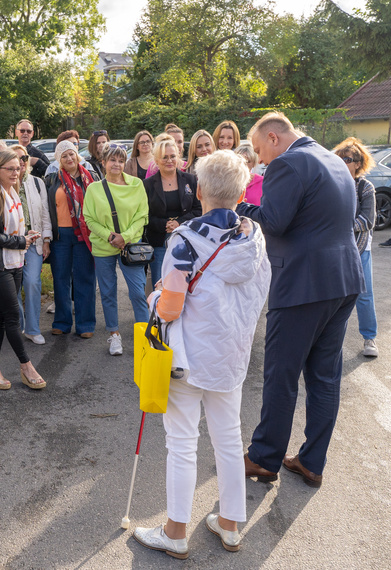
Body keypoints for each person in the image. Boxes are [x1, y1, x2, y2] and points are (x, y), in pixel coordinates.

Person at [132, 150, 271, 559]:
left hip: (188, 356)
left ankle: (175, 531)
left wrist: (157, 295)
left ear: (201, 189)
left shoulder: (186, 239)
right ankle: (230, 524)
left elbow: (171, 308)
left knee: (182, 441)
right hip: (230, 352)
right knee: (229, 438)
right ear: (241, 189)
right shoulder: (253, 236)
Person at [239, 112, 363, 489]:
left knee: (281, 374)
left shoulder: (289, 163)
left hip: (303, 285)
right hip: (343, 280)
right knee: (325, 377)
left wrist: (234, 206)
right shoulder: (332, 160)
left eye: (260, 150)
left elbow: (273, 222)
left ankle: (263, 458)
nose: (261, 160)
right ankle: (312, 462)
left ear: (274, 138)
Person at [0, 150, 45, 390]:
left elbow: (11, 230)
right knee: (13, 316)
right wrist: (19, 242)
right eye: (10, 169)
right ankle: (27, 366)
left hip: (16, 261)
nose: (16, 172)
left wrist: (25, 237)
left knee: (1, 315)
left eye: (18, 167)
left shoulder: (13, 194)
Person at [83, 145, 150, 355]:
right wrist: (110, 236)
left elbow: (142, 215)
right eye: (112, 160)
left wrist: (125, 237)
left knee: (138, 292)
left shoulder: (136, 185)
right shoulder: (94, 189)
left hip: (131, 247)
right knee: (108, 292)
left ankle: (145, 337)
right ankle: (114, 335)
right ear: (103, 162)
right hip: (104, 247)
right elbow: (89, 218)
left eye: (121, 161)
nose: (117, 164)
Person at [44, 140, 97, 338]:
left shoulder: (89, 178)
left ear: (77, 155)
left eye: (71, 154)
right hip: (61, 236)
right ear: (59, 159)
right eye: (64, 156)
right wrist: (47, 238)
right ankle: (62, 322)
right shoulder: (52, 179)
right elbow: (47, 210)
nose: (69, 158)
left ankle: (85, 324)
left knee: (85, 278)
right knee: (60, 279)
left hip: (84, 234)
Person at [333, 137, 378, 357]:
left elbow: (367, 221)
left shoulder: (365, 187)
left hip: (360, 249)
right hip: (335, 248)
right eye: (339, 158)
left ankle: (369, 339)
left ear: (358, 163)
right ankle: (329, 341)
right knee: (334, 296)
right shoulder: (332, 184)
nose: (343, 162)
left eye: (347, 159)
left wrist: (340, 226)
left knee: (364, 295)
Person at [143, 135, 201, 287]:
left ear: (178, 157)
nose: (169, 160)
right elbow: (144, 215)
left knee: (185, 283)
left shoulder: (191, 180)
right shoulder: (147, 185)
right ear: (156, 160)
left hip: (186, 239)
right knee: (159, 283)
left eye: (172, 156)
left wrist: (179, 223)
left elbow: (198, 209)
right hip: (159, 241)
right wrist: (165, 224)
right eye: (164, 157)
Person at [10, 144, 52, 345]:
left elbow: (45, 213)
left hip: (34, 242)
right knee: (13, 287)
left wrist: (46, 240)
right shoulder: (4, 184)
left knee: (33, 282)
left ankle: (33, 329)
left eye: (24, 158)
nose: (20, 162)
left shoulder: (37, 183)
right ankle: (18, 327)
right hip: (11, 243)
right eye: (16, 158)